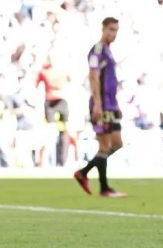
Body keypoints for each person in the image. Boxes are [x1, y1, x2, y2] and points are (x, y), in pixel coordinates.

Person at [73, 17, 126, 198]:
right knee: (104, 146)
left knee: (117, 144)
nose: (114, 33)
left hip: (110, 104)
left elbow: (110, 81)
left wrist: (116, 104)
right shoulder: (97, 50)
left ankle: (84, 172)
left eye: (116, 30)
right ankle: (104, 188)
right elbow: (94, 76)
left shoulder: (108, 51)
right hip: (101, 104)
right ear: (103, 29)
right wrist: (97, 103)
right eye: (111, 29)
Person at [36, 53, 72, 166]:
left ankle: (63, 161)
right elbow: (36, 85)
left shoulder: (62, 70)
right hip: (50, 103)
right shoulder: (44, 71)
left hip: (62, 101)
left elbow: (71, 80)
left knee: (66, 131)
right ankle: (42, 161)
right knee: (50, 132)